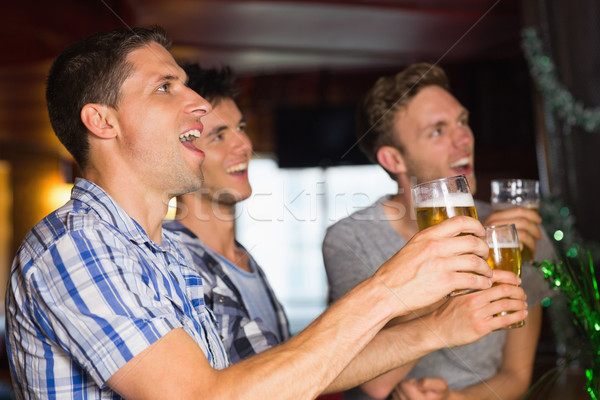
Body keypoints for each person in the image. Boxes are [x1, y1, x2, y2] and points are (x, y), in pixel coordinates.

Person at [5, 28, 527, 399]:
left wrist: (437, 328)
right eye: (166, 87)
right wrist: (390, 288)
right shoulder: (76, 247)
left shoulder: (165, 251)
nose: (199, 104)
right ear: (103, 122)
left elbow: (264, 375)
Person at [323, 63, 556, 400]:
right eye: (437, 130)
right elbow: (376, 384)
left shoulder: (511, 230)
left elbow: (515, 376)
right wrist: (467, 253)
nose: (463, 138)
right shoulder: (351, 240)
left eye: (462, 121)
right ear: (393, 159)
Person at [163, 64, 291, 363]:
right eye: (219, 136)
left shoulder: (244, 258)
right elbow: (269, 373)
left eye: (241, 129)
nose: (245, 145)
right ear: (183, 155)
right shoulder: (174, 262)